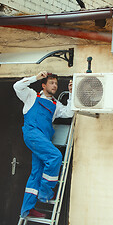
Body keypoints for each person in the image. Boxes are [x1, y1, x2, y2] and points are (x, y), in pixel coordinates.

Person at [13, 71, 74, 218]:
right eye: (51, 83)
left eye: (56, 84)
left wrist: (71, 94)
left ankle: (27, 208)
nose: (55, 86)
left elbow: (69, 113)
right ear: (43, 84)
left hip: (44, 139)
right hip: (32, 134)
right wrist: (35, 77)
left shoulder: (55, 104)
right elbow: (17, 86)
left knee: (36, 172)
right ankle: (45, 193)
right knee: (55, 156)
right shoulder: (31, 96)